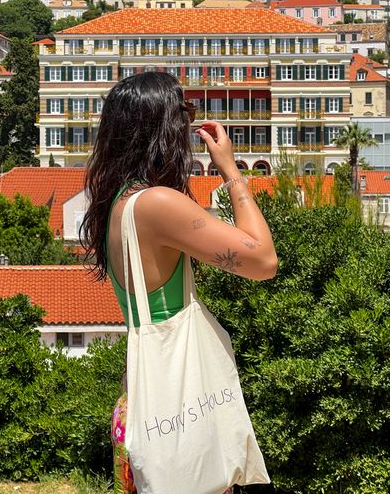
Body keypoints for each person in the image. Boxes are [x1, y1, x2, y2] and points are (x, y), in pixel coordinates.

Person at [81, 71, 277, 494]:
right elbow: (262, 259)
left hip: (142, 405)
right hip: (180, 410)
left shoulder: (117, 203)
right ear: (163, 128)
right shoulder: (156, 205)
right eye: (183, 115)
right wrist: (230, 170)